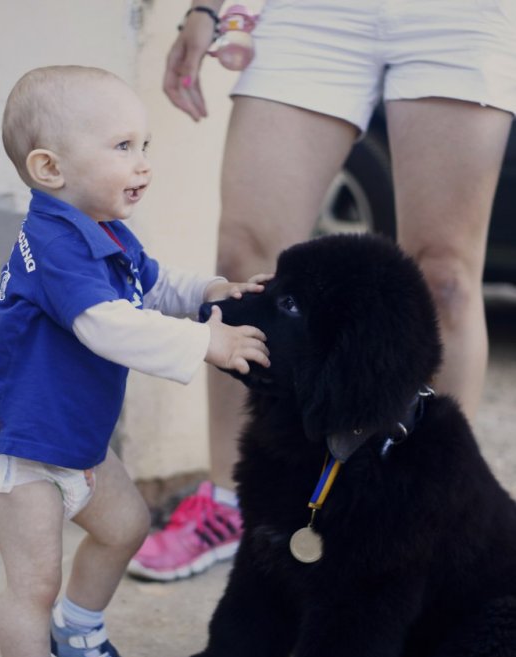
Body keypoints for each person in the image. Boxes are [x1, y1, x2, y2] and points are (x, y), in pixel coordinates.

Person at [127, 0, 516, 582]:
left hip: (459, 17)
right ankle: (230, 506)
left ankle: (429, 510)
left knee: (446, 280)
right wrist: (207, 8)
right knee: (244, 260)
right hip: (316, 12)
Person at [0, 64, 271, 657]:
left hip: (75, 441)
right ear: (49, 168)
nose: (141, 165)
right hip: (22, 448)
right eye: (121, 148)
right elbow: (108, 326)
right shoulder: (53, 242)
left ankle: (76, 629)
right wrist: (205, 341)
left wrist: (209, 291)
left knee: (124, 524)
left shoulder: (105, 229)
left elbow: (153, 282)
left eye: (143, 146)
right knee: (33, 581)